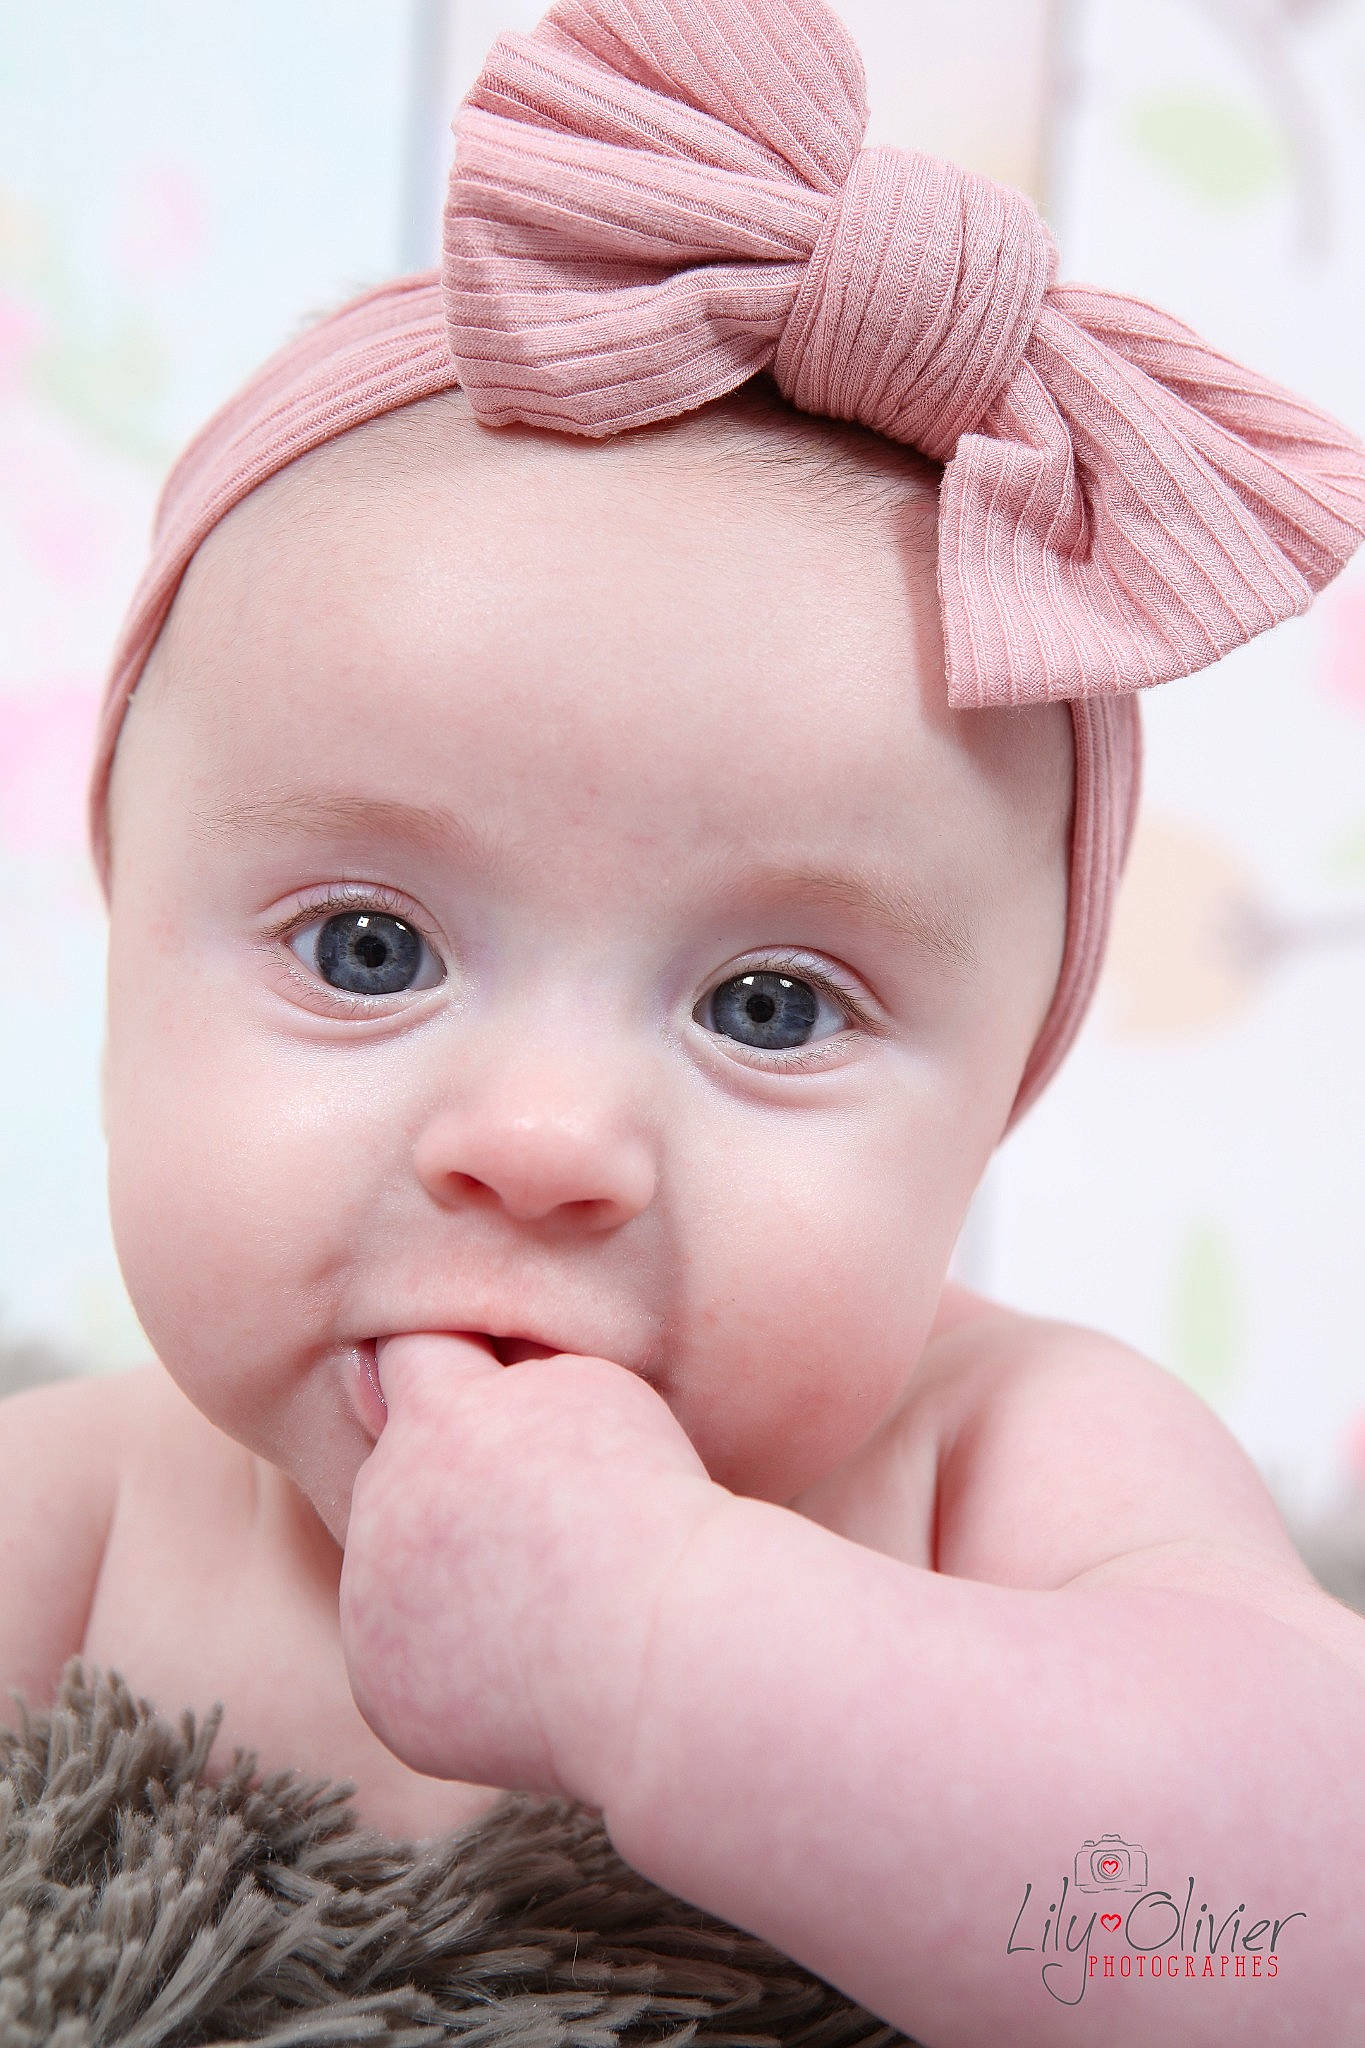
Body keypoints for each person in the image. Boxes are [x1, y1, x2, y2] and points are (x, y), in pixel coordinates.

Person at [4, 1, 1365, 2040]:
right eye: (366, 947)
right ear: (121, 972)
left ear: (999, 1099)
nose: (542, 1138)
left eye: (764, 1001)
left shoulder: (1002, 1463)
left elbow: (1282, 1940)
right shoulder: (88, 1506)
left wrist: (662, 1638)